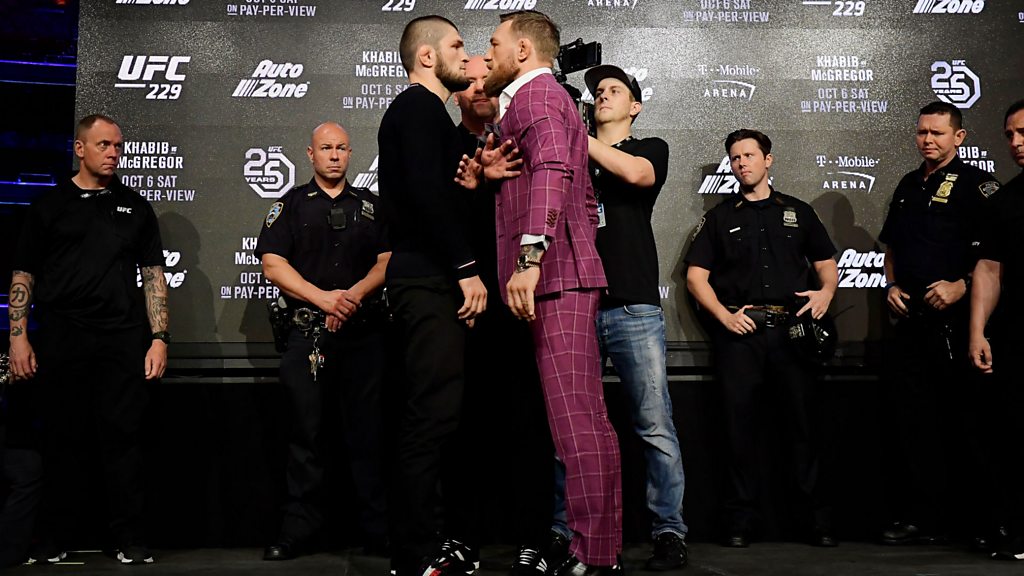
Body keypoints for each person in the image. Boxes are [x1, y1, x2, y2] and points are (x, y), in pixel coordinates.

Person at [482, 10, 622, 576]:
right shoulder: (542, 101)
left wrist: (531, 259)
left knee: (575, 427)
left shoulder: (536, 95)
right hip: (565, 275)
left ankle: (593, 555)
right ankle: (600, 551)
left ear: (522, 50)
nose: (486, 54)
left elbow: (553, 173)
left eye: (494, 44)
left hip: (556, 279)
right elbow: (582, 195)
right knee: (585, 423)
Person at [7, 114, 169, 564]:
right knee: (62, 436)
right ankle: (52, 538)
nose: (114, 153)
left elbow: (154, 277)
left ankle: (129, 538)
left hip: (122, 338)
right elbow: (24, 275)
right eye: (104, 145)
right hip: (63, 335)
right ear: (80, 149)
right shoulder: (48, 207)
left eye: (118, 146)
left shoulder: (136, 208)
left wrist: (159, 338)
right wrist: (18, 338)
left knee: (124, 438)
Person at [550, 64, 687, 570]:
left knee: (654, 424)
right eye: (597, 91)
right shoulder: (571, 152)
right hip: (576, 304)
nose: (602, 95)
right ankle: (565, 531)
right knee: (572, 427)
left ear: (635, 106)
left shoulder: (649, 147)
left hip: (633, 305)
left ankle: (669, 530)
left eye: (614, 90)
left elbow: (635, 175)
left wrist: (574, 133)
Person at [684, 129, 837, 548]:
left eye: (749, 155)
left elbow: (826, 264)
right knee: (738, 432)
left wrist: (825, 293)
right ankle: (739, 522)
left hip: (793, 333)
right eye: (735, 158)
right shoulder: (720, 218)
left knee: (803, 428)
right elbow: (696, 278)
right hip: (742, 336)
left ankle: (815, 522)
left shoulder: (799, 212)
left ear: (767, 160)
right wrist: (724, 316)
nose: (742, 164)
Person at [377, 15, 488, 576]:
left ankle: (430, 543)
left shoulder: (432, 117)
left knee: (440, 415)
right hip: (426, 279)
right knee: (430, 416)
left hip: (429, 278)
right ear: (426, 56)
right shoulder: (417, 109)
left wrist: (474, 177)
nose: (466, 56)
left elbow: (445, 194)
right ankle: (415, 554)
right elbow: (425, 198)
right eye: (457, 46)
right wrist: (466, 269)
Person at [256, 122, 390, 561]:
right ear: (310, 154)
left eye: (341, 148)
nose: (334, 155)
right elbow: (273, 264)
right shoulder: (290, 204)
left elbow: (387, 262)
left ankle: (377, 531)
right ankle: (299, 531)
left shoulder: (371, 206)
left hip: (363, 334)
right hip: (308, 335)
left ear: (350, 153)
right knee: (306, 436)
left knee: (368, 435)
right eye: (326, 148)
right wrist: (324, 299)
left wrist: (350, 298)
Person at [450, 55, 555, 576]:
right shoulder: (446, 148)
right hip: (467, 309)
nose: (479, 87)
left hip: (523, 303)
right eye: (468, 81)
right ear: (455, 92)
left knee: (529, 426)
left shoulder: (523, 138)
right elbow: (438, 227)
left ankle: (532, 542)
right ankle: (463, 539)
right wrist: (472, 187)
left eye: (485, 78)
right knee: (466, 429)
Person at [878, 102, 1000, 546]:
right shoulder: (908, 184)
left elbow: (997, 256)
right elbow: (891, 248)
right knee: (915, 424)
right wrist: (891, 284)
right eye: (922, 132)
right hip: (912, 324)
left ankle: (983, 523)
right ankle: (922, 519)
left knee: (967, 424)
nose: (928, 140)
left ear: (959, 137)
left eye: (937, 133)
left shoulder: (979, 186)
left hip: (960, 324)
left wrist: (961, 285)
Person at [969, 98, 1024, 560]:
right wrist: (977, 331)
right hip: (1016, 335)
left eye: (1023, 132)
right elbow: (988, 269)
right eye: (1009, 135)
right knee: (1014, 436)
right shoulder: (1005, 200)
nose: (1015, 142)